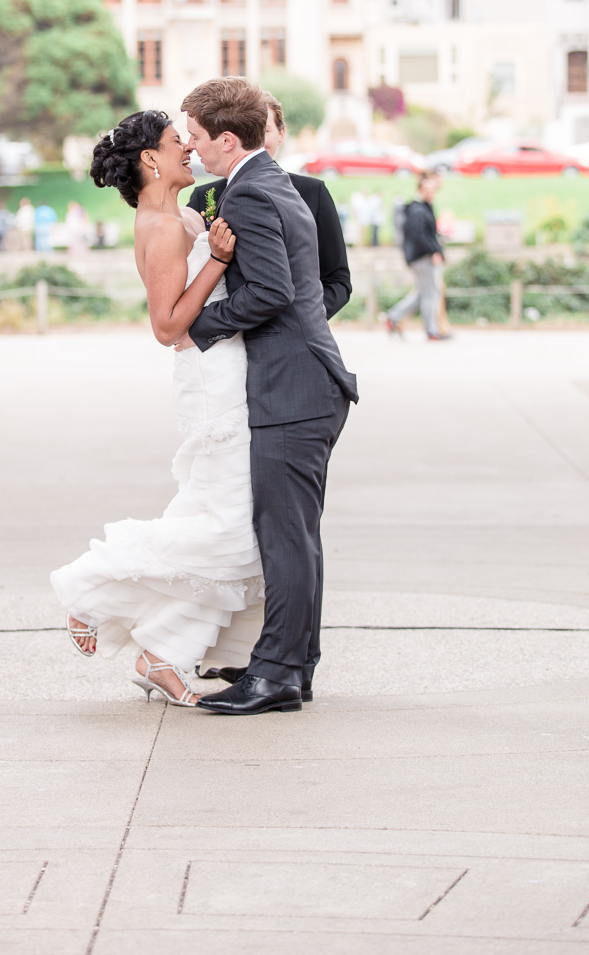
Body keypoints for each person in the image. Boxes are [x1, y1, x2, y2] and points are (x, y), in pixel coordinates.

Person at [50, 110, 263, 706]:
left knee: (221, 517)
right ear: (150, 159)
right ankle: (90, 587)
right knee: (232, 527)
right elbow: (167, 326)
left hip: (228, 368)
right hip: (208, 377)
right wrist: (217, 261)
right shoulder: (163, 227)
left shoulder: (184, 214)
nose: (187, 150)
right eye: (177, 143)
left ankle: (163, 655)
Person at [177, 79, 358, 715]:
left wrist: (198, 327)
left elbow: (274, 293)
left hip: (295, 387)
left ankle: (277, 671)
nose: (191, 150)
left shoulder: (250, 192)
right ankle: (293, 666)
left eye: (196, 138)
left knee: (284, 537)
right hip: (308, 382)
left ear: (228, 139)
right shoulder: (270, 181)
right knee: (295, 536)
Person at [189, 92, 352, 320]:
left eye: (264, 130)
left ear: (281, 134)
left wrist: (301, 320)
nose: (255, 138)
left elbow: (337, 280)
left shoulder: (312, 193)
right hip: (227, 333)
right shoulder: (205, 196)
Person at [385, 171, 450, 341]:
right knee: (430, 293)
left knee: (424, 292)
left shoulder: (421, 207)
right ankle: (431, 330)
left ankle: (394, 316)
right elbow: (420, 235)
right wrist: (433, 251)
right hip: (422, 257)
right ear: (421, 188)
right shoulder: (417, 210)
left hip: (419, 256)